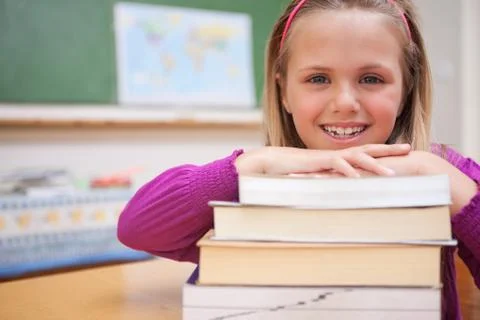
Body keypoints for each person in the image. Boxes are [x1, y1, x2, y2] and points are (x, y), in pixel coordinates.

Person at [117, 1, 479, 319]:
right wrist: (255, 164)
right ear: (284, 91)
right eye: (318, 78)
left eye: (371, 78)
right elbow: (136, 227)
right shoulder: (251, 180)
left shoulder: (443, 171)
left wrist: (433, 172)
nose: (345, 102)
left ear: (406, 90)